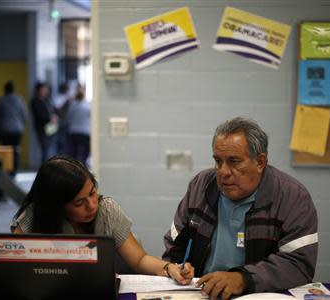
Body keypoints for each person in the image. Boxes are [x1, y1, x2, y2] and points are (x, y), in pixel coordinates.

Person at [163, 117, 318, 299]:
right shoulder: (200, 186)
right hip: (201, 293)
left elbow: (299, 264)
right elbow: (174, 247)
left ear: (260, 162)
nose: (223, 172)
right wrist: (179, 267)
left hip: (257, 294)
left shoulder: (292, 197)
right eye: (218, 161)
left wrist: (243, 279)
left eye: (234, 162)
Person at [11, 155, 194, 284]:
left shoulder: (106, 209)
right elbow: (17, 274)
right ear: (57, 207)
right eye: (79, 202)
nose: (92, 205)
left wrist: (170, 268)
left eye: (93, 192)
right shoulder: (32, 218)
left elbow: (139, 260)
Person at [0, 80, 28, 176]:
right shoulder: (20, 100)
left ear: (5, 89)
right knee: (15, 151)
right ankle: (14, 172)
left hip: (4, 130)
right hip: (17, 130)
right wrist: (22, 126)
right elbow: (24, 115)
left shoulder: (1, 100)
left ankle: (7, 172)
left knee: (5, 152)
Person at [30, 82, 58, 165]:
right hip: (42, 127)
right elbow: (39, 114)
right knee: (45, 148)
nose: (45, 91)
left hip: (51, 127)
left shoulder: (47, 100)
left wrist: (54, 117)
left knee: (50, 147)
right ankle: (45, 166)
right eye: (43, 89)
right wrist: (50, 118)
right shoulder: (35, 101)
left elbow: (53, 110)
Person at [64, 84, 90, 165]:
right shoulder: (88, 106)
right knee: (85, 151)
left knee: (74, 152)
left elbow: (67, 119)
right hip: (85, 132)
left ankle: (75, 166)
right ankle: (83, 165)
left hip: (74, 132)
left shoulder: (72, 106)